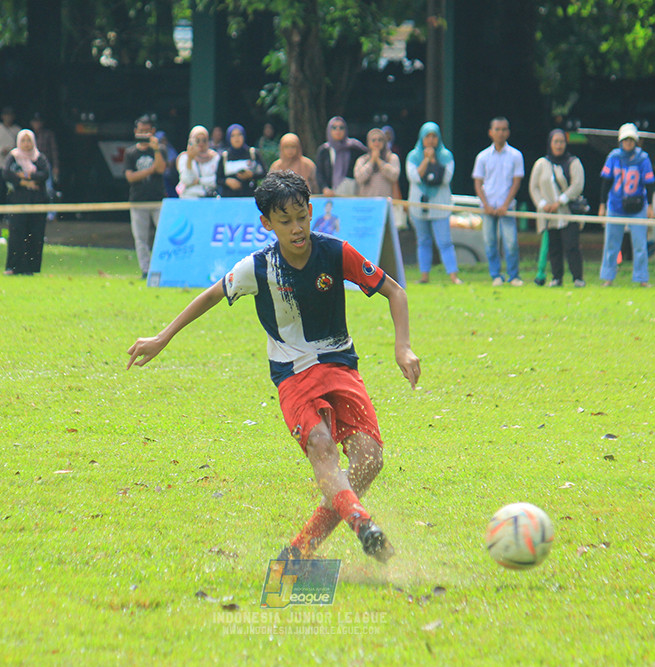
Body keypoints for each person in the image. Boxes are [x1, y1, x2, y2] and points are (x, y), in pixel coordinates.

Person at [126, 170, 420, 564]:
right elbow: (211, 295)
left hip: (340, 366)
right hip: (293, 375)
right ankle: (364, 525)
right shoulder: (258, 267)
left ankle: (301, 550)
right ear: (267, 223)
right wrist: (162, 337)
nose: (296, 228)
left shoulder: (336, 252)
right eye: (285, 221)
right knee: (322, 448)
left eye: (302, 217)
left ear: (311, 211)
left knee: (370, 460)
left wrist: (402, 347)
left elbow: (394, 291)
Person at [598, 123, 655, 287]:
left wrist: (650, 205)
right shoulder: (613, 157)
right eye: (625, 140)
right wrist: (602, 205)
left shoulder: (643, 158)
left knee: (640, 244)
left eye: (631, 139)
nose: (628, 143)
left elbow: (649, 182)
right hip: (615, 205)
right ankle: (608, 277)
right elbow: (606, 181)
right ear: (620, 141)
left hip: (637, 207)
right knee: (611, 242)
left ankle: (641, 278)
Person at [528, 129, 586, 287]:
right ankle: (557, 278)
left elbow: (577, 185)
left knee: (571, 245)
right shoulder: (541, 164)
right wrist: (542, 205)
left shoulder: (573, 162)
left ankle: (577, 278)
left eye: (561, 141)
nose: (559, 145)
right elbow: (533, 187)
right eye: (556, 141)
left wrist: (560, 201)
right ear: (550, 143)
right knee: (553, 246)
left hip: (567, 212)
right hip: (548, 214)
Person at [472, 117, 525, 286]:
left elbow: (516, 182)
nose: (500, 133)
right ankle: (495, 275)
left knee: (511, 243)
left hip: (507, 207)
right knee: (490, 242)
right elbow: (478, 182)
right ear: (490, 132)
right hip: (487, 207)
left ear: (508, 132)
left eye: (504, 129)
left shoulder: (516, 155)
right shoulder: (482, 156)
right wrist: (486, 205)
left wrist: (505, 204)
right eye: (497, 129)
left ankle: (513, 276)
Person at [407, 121, 459, 284]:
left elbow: (445, 179)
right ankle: (424, 276)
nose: (430, 140)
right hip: (419, 205)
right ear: (421, 138)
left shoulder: (446, 156)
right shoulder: (413, 156)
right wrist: (426, 160)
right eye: (427, 136)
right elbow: (414, 177)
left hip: (439, 205)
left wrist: (434, 161)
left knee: (444, 241)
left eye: (434, 136)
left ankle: (453, 276)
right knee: (423, 241)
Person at [3, 129, 51, 276]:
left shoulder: (39, 157)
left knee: (35, 234)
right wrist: (24, 183)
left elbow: (45, 173)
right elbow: (6, 173)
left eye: (28, 140)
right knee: (17, 233)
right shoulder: (13, 156)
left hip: (37, 201)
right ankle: (14, 266)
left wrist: (30, 175)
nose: (26, 144)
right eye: (23, 141)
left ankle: (31, 267)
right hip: (18, 200)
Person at [124, 115, 167, 278]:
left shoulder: (160, 149)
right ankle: (145, 270)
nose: (143, 134)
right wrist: (150, 171)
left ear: (153, 132)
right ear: (136, 131)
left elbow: (161, 169)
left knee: (161, 235)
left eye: (147, 131)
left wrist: (155, 148)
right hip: (138, 200)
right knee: (140, 238)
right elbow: (130, 177)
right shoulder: (131, 152)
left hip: (157, 200)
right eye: (140, 131)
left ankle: (161, 267)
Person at [315, 117, 367, 196]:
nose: (338, 131)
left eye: (341, 128)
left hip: (351, 193)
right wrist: (324, 188)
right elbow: (319, 173)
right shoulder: (324, 150)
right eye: (334, 128)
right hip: (329, 194)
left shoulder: (354, 148)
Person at [217, 124, 265, 198]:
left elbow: (264, 173)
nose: (237, 138)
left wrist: (251, 175)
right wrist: (227, 181)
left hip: (250, 197)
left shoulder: (253, 154)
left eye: (239, 135)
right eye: (233, 135)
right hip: (229, 199)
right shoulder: (224, 156)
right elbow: (218, 179)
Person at [354, 128, 401, 197]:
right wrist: (372, 161)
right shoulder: (362, 160)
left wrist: (379, 161)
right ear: (368, 143)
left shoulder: (391, 158)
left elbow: (394, 176)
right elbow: (359, 178)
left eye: (380, 140)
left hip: (385, 203)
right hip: (367, 203)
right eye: (373, 140)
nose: (377, 143)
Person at [176, 126, 220, 199]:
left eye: (204, 140)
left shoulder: (215, 157)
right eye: (197, 140)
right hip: (189, 198)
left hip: (208, 198)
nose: (201, 143)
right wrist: (190, 159)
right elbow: (187, 180)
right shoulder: (184, 157)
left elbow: (215, 180)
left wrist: (199, 181)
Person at [30, 112, 60, 184]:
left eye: (38, 121)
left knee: (48, 187)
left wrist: (56, 166)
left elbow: (54, 151)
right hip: (31, 164)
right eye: (35, 121)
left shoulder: (48, 134)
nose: (37, 123)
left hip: (46, 164)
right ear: (31, 123)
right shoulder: (29, 135)